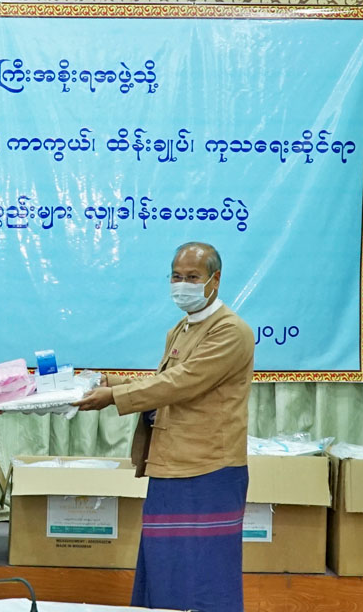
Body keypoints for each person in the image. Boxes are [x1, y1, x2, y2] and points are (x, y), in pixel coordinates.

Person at [75, 242, 254, 612]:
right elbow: (165, 380)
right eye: (176, 276)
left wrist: (115, 397)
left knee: (205, 573)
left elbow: (181, 383)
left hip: (208, 469)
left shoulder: (231, 331)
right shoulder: (181, 328)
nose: (182, 284)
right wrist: (111, 382)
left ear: (215, 280)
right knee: (164, 567)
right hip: (170, 464)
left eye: (193, 277)